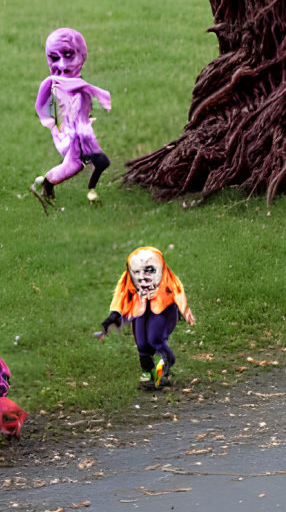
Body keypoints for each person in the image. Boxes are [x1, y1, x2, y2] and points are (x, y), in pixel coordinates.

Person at [31, 28, 111, 209]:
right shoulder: (53, 82)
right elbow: (41, 106)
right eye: (53, 58)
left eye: (68, 55)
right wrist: (57, 124)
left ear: (82, 56)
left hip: (82, 132)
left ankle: (90, 190)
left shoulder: (78, 85)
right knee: (75, 165)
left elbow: (82, 103)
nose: (61, 64)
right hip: (70, 134)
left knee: (101, 162)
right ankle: (47, 183)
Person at [95, 247, 196, 388]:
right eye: (137, 272)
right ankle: (147, 373)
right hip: (139, 310)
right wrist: (113, 316)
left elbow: (177, 290)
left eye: (149, 270)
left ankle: (166, 366)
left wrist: (184, 309)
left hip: (163, 309)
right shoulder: (128, 280)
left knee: (155, 338)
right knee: (142, 344)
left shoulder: (166, 278)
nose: (142, 276)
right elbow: (121, 295)